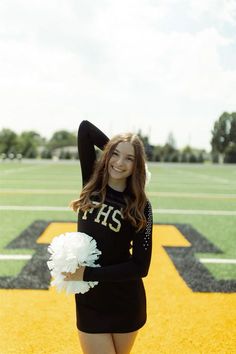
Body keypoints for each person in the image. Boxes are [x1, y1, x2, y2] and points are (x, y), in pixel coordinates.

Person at [62, 120, 153, 354]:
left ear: (137, 166)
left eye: (130, 159)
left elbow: (140, 267)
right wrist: (116, 145)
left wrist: (87, 273)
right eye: (115, 154)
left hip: (124, 300)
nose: (120, 163)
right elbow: (84, 129)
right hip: (90, 300)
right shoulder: (91, 181)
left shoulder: (141, 206)